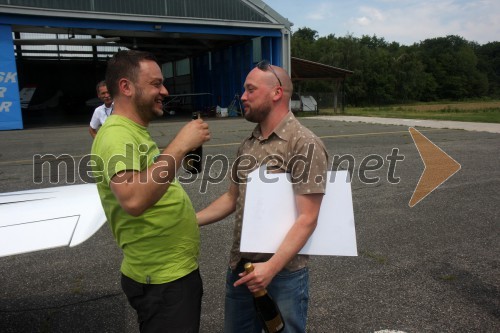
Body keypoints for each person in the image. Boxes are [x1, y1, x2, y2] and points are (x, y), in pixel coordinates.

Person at [197, 60, 328, 332]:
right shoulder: (249, 143)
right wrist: (188, 219)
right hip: (241, 268)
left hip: (283, 273)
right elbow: (232, 198)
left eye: (250, 89)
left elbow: (308, 218)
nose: (242, 97)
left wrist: (270, 269)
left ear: (276, 93)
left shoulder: (303, 143)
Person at [91, 50, 210, 332]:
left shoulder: (133, 131)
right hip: (161, 281)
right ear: (126, 87)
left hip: (169, 276)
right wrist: (180, 145)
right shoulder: (117, 135)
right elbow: (132, 199)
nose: (164, 91)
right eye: (156, 84)